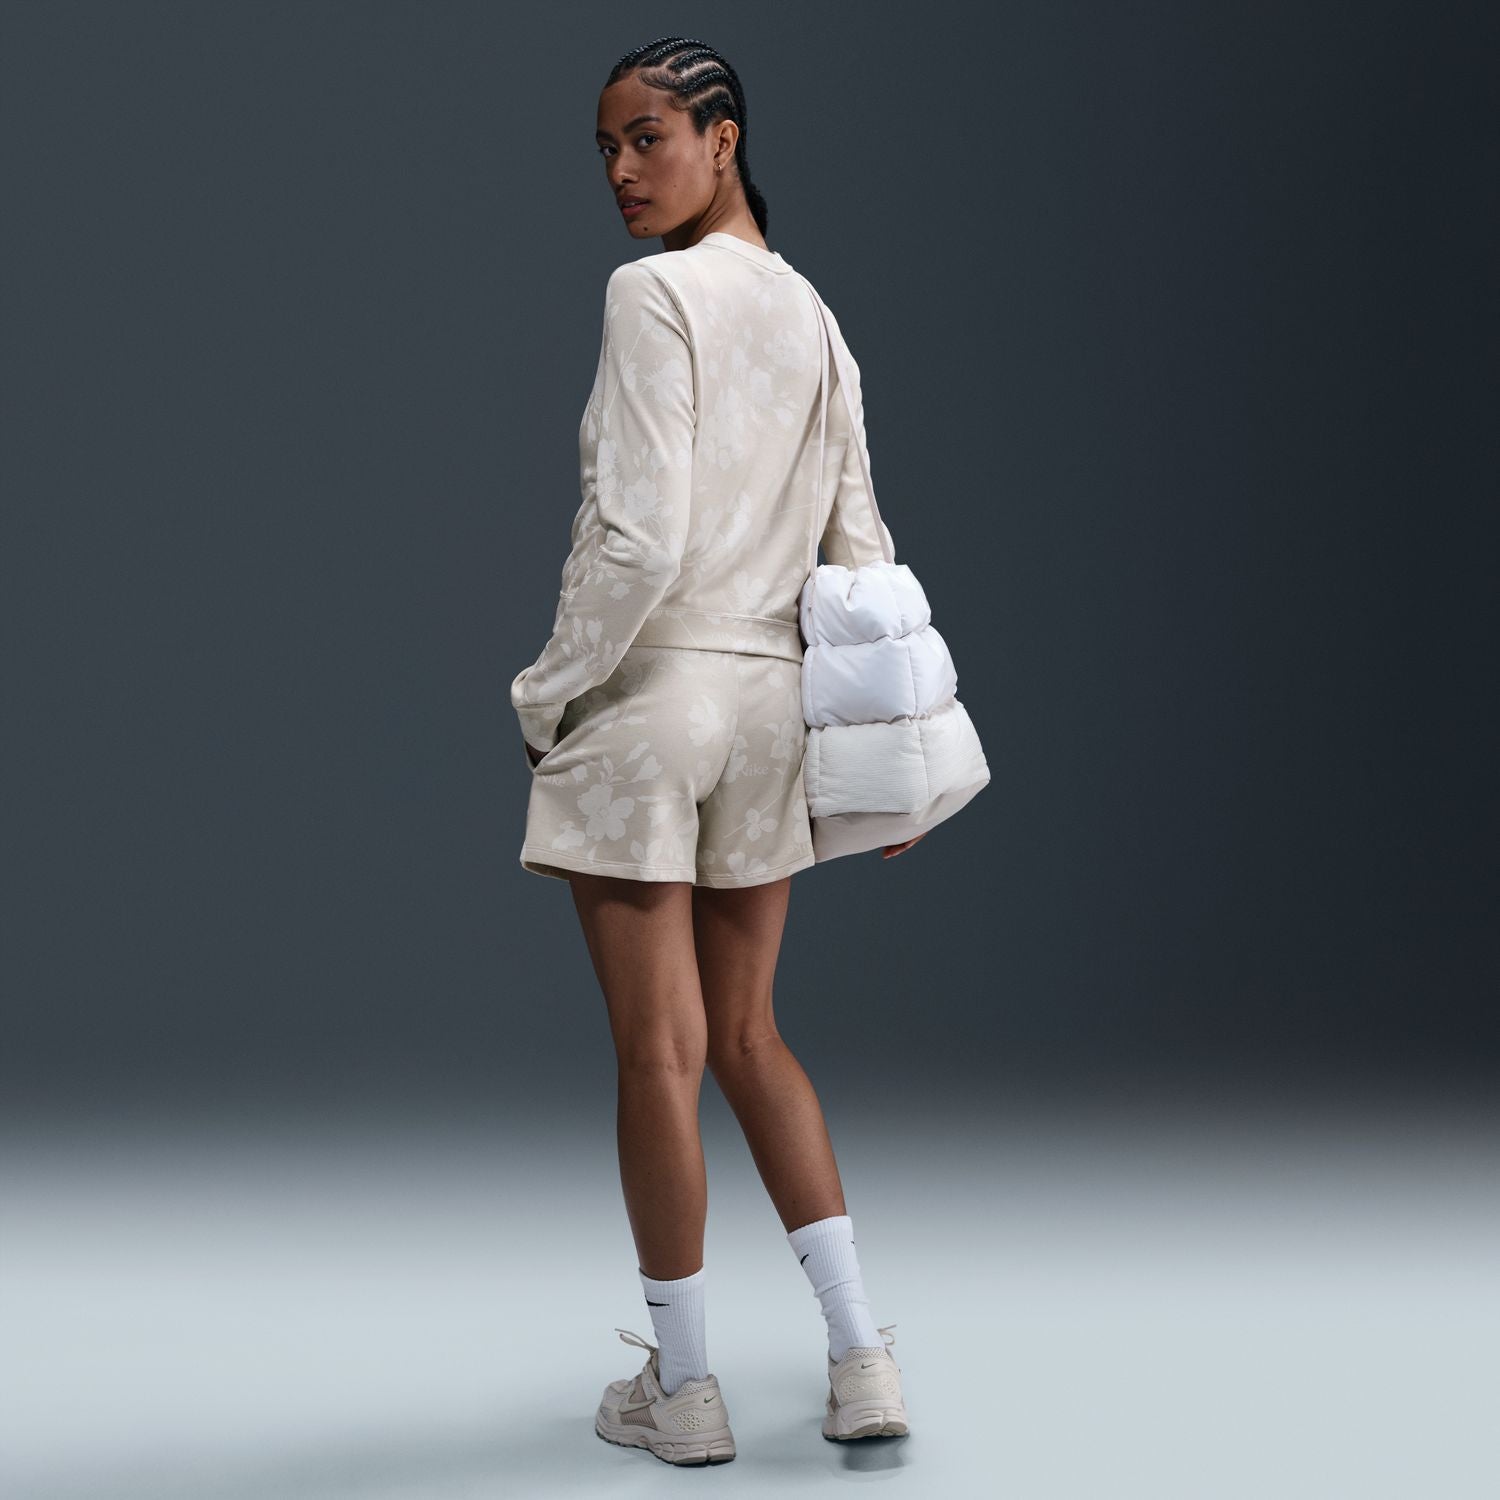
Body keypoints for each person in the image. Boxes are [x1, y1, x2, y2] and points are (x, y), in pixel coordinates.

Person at [509, 36, 917, 1464]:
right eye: (606, 149)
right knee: (751, 1035)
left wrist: (548, 694)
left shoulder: (651, 294)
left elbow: (637, 538)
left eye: (648, 139)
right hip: (769, 709)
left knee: (662, 1053)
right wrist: (886, 750)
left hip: (655, 695)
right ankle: (862, 1359)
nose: (622, 172)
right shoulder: (814, 315)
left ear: (723, 138)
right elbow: (861, 548)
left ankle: (681, 1390)